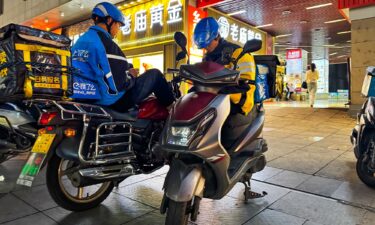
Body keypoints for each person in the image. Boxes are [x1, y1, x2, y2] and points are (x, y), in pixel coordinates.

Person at [72, 2, 175, 112]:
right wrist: (131, 75)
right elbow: (119, 83)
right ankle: (174, 111)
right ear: (109, 21)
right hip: (111, 100)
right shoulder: (105, 43)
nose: (118, 30)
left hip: (87, 98)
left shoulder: (80, 41)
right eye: (119, 25)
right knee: (155, 75)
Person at [193, 17, 257, 149]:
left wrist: (221, 90)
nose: (206, 49)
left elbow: (247, 85)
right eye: (203, 47)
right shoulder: (208, 57)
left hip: (238, 101)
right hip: (215, 99)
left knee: (218, 124)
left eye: (207, 45)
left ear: (216, 36)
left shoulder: (238, 53)